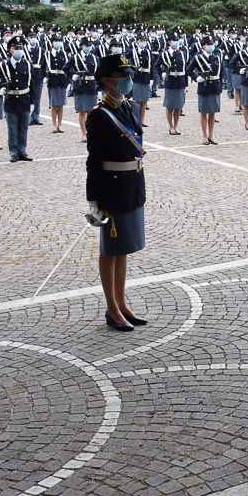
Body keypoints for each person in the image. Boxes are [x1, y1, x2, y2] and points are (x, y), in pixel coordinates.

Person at [85, 50, 148, 332]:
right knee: (110, 249)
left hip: (132, 184)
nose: (128, 80)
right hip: (110, 187)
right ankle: (111, 308)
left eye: (129, 75)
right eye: (122, 76)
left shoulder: (131, 107)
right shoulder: (99, 115)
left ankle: (122, 303)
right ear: (106, 81)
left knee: (123, 249)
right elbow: (94, 161)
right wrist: (93, 200)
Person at [0, 36, 34, 162]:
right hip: (10, 100)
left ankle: (23, 151)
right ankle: (14, 152)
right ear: (11, 50)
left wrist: (33, 102)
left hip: (24, 99)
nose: (19, 50)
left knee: (23, 128)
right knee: (12, 128)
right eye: (16, 48)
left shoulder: (27, 65)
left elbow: (33, 85)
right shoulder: (4, 65)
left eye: (21, 48)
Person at [187, 35, 222, 145]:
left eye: (212, 44)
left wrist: (221, 86)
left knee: (212, 113)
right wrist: (196, 78)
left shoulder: (217, 57)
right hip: (204, 86)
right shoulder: (198, 57)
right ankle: (204, 136)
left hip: (215, 86)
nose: (211, 47)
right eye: (208, 45)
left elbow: (221, 74)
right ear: (203, 46)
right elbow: (189, 70)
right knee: (204, 112)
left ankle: (211, 135)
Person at [67, 37, 98, 143]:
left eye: (90, 45)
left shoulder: (94, 58)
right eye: (86, 45)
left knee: (91, 112)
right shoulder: (75, 58)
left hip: (91, 86)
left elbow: (98, 71)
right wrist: (72, 76)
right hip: (80, 86)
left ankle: (91, 132)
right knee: (82, 111)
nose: (88, 47)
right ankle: (84, 133)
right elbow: (65, 68)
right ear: (82, 46)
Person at [160, 33, 188, 136]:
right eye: (173, 40)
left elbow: (185, 69)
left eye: (177, 40)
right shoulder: (164, 54)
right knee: (169, 105)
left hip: (180, 82)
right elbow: (156, 65)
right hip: (170, 81)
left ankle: (176, 126)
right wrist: (161, 73)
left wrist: (186, 84)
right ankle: (170, 126)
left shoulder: (182, 53)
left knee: (178, 106)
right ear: (169, 42)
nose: (176, 42)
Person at [44, 33, 70, 133]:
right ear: (52, 43)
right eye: (56, 41)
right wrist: (44, 77)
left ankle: (60, 124)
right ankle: (54, 124)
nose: (58, 43)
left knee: (61, 104)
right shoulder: (47, 54)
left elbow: (67, 69)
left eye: (59, 41)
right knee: (54, 104)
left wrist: (68, 82)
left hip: (61, 80)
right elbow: (43, 66)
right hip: (52, 80)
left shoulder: (64, 54)